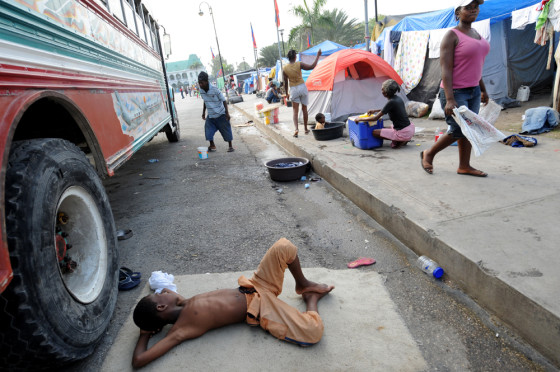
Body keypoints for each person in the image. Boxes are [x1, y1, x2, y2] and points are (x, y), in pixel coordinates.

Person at [131, 238, 334, 368]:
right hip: (261, 308)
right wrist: (144, 333)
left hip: (256, 285)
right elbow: (139, 361)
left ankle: (304, 285)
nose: (163, 291)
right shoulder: (182, 329)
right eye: (159, 295)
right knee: (312, 331)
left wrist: (155, 313)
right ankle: (312, 299)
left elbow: (167, 292)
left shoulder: (184, 304)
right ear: (161, 307)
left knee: (284, 247)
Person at [420, 0, 490, 176]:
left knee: (468, 129)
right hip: (455, 92)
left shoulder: (476, 33)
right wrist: (450, 99)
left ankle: (464, 166)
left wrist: (483, 89)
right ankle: (429, 153)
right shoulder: (451, 35)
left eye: (476, 7)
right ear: (458, 12)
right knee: (458, 129)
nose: (474, 9)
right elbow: (446, 69)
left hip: (473, 90)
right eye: (469, 7)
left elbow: (475, 66)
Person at [354, 79, 415, 149]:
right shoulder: (397, 98)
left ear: (385, 93)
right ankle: (403, 138)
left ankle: (400, 140)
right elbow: (387, 109)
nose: (381, 91)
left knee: (374, 132)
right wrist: (375, 110)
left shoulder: (391, 102)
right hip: (409, 128)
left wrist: (359, 119)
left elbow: (375, 118)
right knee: (385, 128)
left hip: (403, 132)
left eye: (382, 89)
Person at [283, 49, 322, 138]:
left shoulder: (284, 68)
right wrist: (318, 55)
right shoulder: (299, 64)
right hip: (302, 87)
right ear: (295, 57)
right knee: (304, 109)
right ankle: (305, 129)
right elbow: (312, 66)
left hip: (293, 89)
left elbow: (285, 82)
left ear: (288, 58)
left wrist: (286, 93)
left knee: (295, 112)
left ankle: (296, 129)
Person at [198, 71, 234, 152]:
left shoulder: (215, 89)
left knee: (226, 130)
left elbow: (224, 100)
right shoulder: (201, 90)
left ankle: (230, 146)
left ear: (207, 82)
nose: (200, 85)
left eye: (202, 83)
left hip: (221, 114)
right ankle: (212, 145)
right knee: (208, 130)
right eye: (199, 83)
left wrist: (227, 113)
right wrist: (203, 112)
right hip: (211, 115)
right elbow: (205, 100)